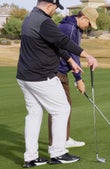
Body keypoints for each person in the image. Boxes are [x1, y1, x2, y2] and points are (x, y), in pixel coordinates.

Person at [16, 0, 98, 168]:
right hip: (41, 76)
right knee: (62, 109)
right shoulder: (45, 22)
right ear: (49, 6)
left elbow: (53, 44)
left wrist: (70, 60)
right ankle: (58, 153)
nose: (54, 11)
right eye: (54, 8)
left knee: (34, 114)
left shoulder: (29, 18)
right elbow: (63, 42)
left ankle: (30, 158)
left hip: (24, 76)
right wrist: (87, 55)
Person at [47, 7, 99, 149]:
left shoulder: (75, 28)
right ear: (83, 18)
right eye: (88, 23)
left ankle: (64, 138)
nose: (88, 27)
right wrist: (79, 79)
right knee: (59, 108)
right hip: (55, 72)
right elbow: (72, 54)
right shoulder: (69, 29)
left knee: (65, 106)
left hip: (61, 72)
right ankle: (56, 143)